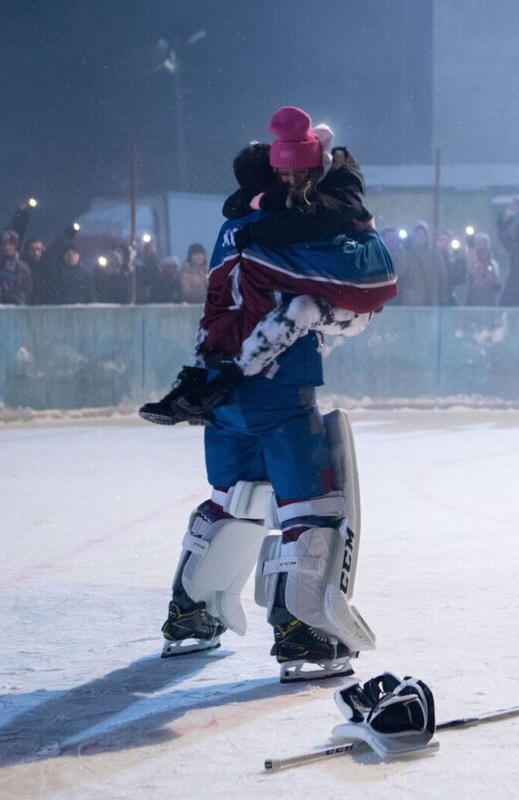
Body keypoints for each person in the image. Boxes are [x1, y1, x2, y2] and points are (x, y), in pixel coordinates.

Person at [147, 111, 394, 681]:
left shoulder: (233, 224)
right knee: (311, 506)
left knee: (230, 498)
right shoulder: (291, 230)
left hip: (219, 382)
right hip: (276, 383)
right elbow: (374, 277)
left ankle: (191, 616)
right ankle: (302, 634)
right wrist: (354, 215)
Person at [147, 108, 394, 420]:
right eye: (282, 176)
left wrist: (261, 222)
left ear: (313, 168)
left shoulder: (339, 184)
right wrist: (254, 203)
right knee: (227, 298)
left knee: (300, 308)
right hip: (328, 285)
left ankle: (230, 378)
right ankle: (197, 377)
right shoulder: (281, 195)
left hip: (357, 302)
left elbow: (324, 212)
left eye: (296, 174)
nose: (289, 181)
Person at [463, 231, 502, 306]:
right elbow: (471, 269)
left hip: (490, 302)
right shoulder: (471, 261)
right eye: (479, 244)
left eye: (485, 244)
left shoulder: (493, 264)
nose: (482, 247)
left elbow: (497, 282)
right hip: (473, 302)